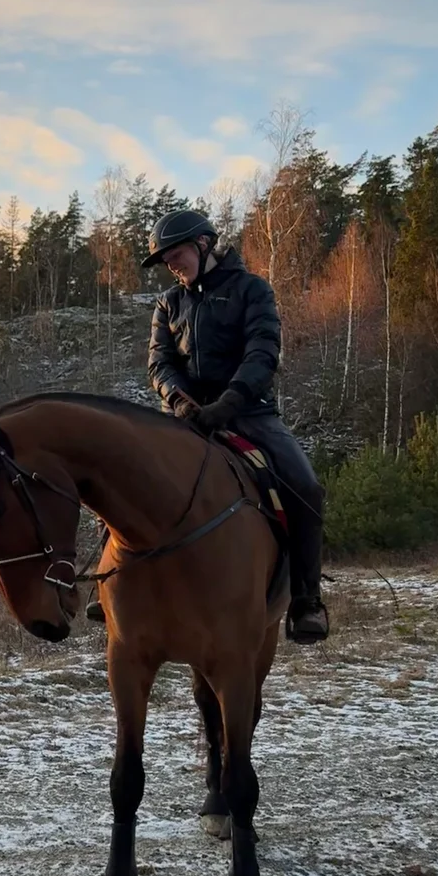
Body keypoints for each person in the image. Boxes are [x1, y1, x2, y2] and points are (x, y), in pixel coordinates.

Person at [87, 208, 329, 643]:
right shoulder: (168, 303)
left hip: (248, 413)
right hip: (183, 418)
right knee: (122, 477)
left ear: (203, 244)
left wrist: (229, 402)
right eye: (165, 260)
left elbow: (262, 352)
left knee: (306, 488)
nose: (171, 265)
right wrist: (179, 401)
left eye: (175, 254)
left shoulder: (253, 290)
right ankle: (106, 582)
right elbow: (159, 363)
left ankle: (306, 601)